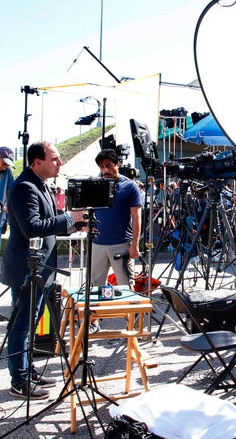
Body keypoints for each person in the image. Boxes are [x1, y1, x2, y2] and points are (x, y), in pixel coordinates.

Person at [3, 141, 85, 400]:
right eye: (55, 159)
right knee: (21, 325)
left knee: (32, 320)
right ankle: (20, 380)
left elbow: (50, 224)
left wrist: (73, 225)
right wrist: (72, 217)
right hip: (27, 269)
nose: (59, 163)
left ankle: (27, 369)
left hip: (41, 268)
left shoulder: (40, 186)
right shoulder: (25, 188)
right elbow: (33, 227)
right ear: (37, 162)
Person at [88, 149, 143, 333]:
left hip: (121, 243)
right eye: (102, 167)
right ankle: (94, 322)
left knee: (126, 286)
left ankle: (132, 324)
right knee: (96, 284)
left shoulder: (130, 187)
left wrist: (135, 244)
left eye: (109, 166)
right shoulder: (96, 184)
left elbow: (137, 217)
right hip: (98, 243)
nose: (105, 170)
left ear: (117, 164)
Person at [0, 146, 16, 236]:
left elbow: (11, 192)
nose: (5, 168)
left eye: (8, 165)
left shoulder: (8, 172)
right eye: (4, 163)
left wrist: (7, 204)